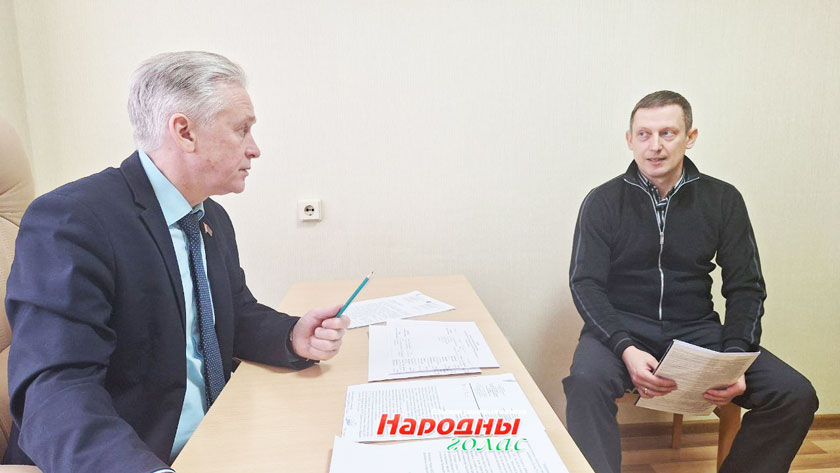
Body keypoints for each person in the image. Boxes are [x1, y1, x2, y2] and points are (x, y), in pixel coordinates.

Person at [4, 51, 350, 472]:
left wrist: (293, 335)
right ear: (185, 132)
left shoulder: (208, 216)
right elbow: (55, 393)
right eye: (242, 130)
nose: (254, 149)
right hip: (135, 455)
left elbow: (231, 315)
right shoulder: (73, 221)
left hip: (219, 434)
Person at [563, 90, 818, 473]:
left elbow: (746, 286)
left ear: (690, 137)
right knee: (585, 383)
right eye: (644, 134)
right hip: (622, 329)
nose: (655, 146)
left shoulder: (723, 199)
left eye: (667, 133)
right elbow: (585, 283)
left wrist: (735, 356)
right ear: (630, 140)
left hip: (696, 331)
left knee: (795, 394)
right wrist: (625, 347)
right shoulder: (602, 201)